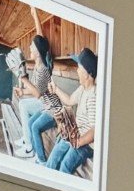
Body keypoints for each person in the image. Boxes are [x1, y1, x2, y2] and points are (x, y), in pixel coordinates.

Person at [46, 47, 100, 176]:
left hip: (86, 144)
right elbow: (70, 100)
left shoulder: (93, 96)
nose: (77, 70)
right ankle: (46, 177)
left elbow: (94, 131)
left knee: (65, 165)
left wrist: (77, 142)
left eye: (79, 68)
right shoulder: (83, 88)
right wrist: (56, 89)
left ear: (87, 74)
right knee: (56, 152)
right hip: (76, 134)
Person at [17, 33, 57, 163]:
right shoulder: (37, 66)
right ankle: (32, 151)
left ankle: (41, 160)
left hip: (53, 109)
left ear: (38, 52)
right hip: (45, 106)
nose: (29, 47)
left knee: (34, 127)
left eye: (32, 46)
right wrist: (22, 91)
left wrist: (24, 79)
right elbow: (34, 90)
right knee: (30, 123)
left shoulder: (44, 69)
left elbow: (38, 93)